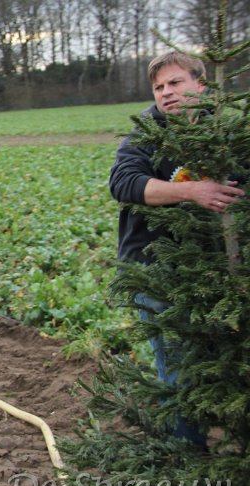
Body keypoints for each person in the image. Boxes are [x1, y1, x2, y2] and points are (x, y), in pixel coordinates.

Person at [109, 50, 245, 447]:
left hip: (216, 274)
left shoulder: (226, 137)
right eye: (158, 87)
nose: (166, 93)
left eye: (175, 83)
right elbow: (124, 184)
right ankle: (191, 463)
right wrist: (192, 191)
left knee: (222, 368)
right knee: (181, 374)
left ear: (201, 85)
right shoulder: (145, 135)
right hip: (155, 273)